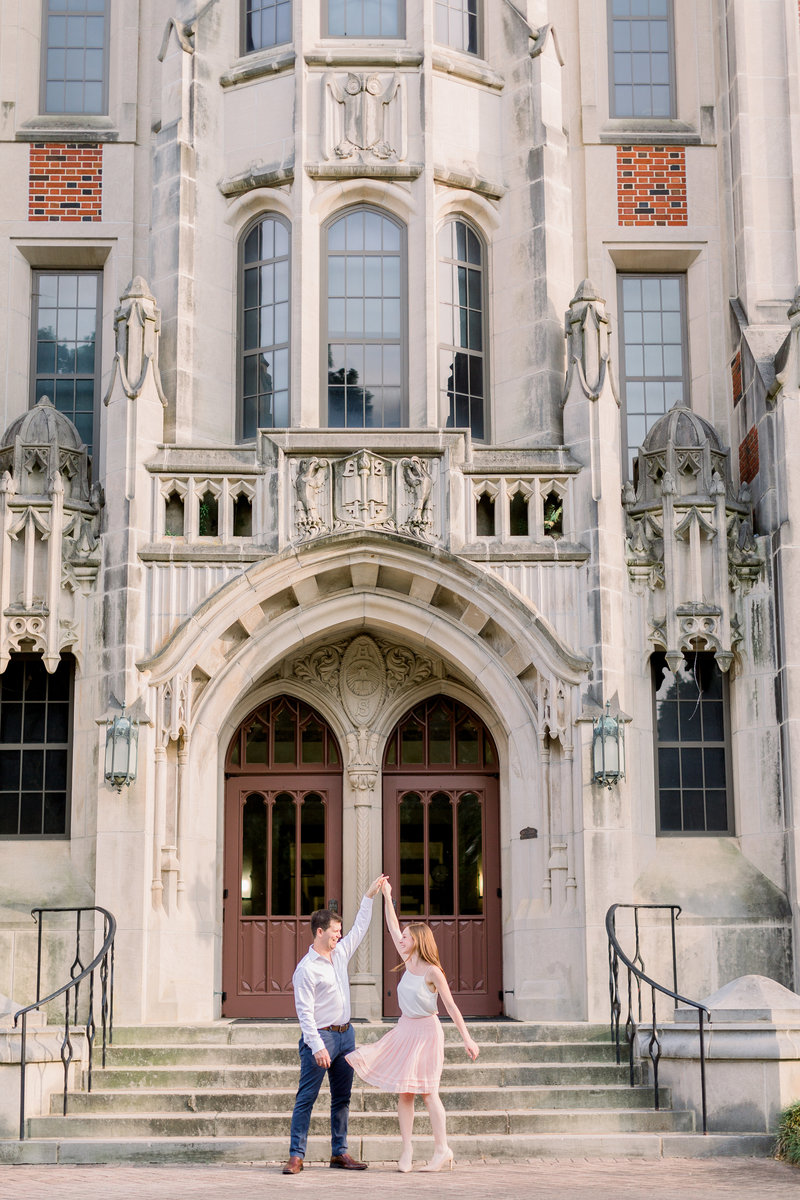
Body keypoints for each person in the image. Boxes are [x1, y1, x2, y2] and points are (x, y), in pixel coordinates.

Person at [345, 878, 479, 1173]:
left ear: (418, 940)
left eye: (407, 936)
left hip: (427, 1033)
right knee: (405, 1092)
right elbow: (392, 927)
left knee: (429, 1092)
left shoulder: (433, 971)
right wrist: (387, 896)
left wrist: (467, 1038)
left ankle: (442, 1150)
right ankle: (406, 1151)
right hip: (405, 1030)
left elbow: (452, 1007)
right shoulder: (408, 961)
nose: (402, 939)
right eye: (403, 936)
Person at [283, 874, 387, 1176]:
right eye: (334, 932)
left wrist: (369, 896)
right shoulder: (306, 969)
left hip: (345, 1035)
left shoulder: (340, 954)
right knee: (307, 1097)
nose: (339, 936)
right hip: (321, 1038)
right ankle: (295, 1156)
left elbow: (360, 928)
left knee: (342, 1098)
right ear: (319, 932)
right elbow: (304, 1013)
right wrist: (316, 1046)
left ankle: (340, 1152)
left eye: (339, 931)